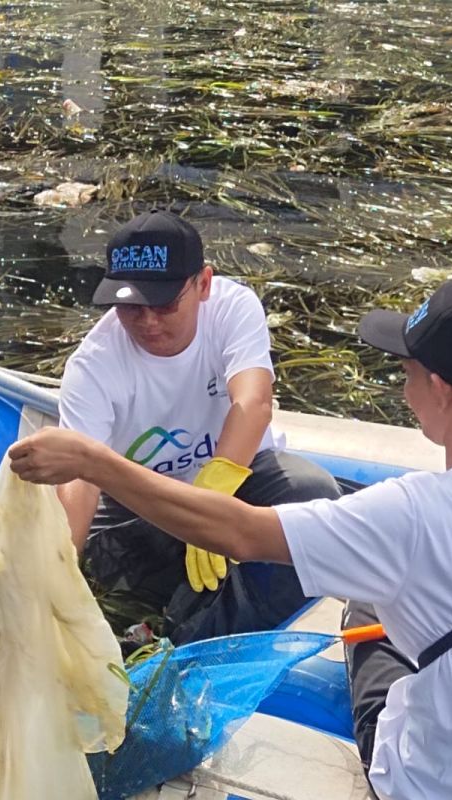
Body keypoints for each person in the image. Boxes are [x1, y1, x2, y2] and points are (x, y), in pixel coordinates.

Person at [11, 280, 452, 800]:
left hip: (451, 785)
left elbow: (237, 532)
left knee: (362, 612)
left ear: (440, 388)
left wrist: (94, 461)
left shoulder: (408, 516)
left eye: (407, 369)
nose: (404, 384)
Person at [55, 209, 340, 644]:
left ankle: (190, 641)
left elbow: (254, 401)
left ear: (203, 284)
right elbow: (80, 480)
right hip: (143, 499)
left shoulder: (232, 308)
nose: (148, 322)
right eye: (130, 306)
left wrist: (211, 499)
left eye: (166, 305)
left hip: (240, 480)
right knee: (100, 563)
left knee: (312, 494)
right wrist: (55, 570)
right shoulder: (93, 366)